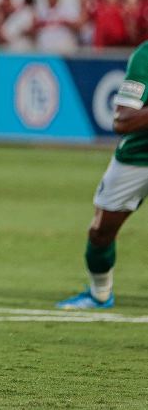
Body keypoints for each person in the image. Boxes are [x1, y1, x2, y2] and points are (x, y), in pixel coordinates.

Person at [57, 41, 148, 309]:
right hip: (139, 156)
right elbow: (122, 120)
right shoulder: (144, 57)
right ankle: (99, 293)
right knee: (100, 233)